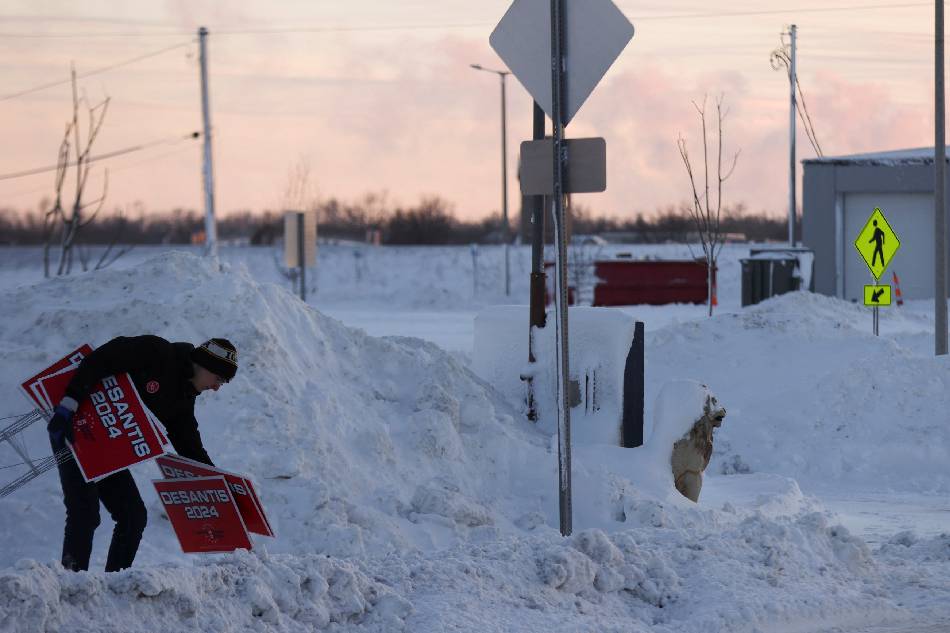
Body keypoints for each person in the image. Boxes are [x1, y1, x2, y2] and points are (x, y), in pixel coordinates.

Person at [45, 336, 238, 572]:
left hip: (107, 441)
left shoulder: (183, 399)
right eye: (219, 379)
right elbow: (102, 359)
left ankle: (114, 586)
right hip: (72, 425)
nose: (217, 387)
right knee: (84, 513)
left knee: (133, 517)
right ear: (204, 365)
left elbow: (190, 447)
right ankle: (70, 586)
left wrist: (221, 484)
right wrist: (69, 403)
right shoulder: (156, 352)